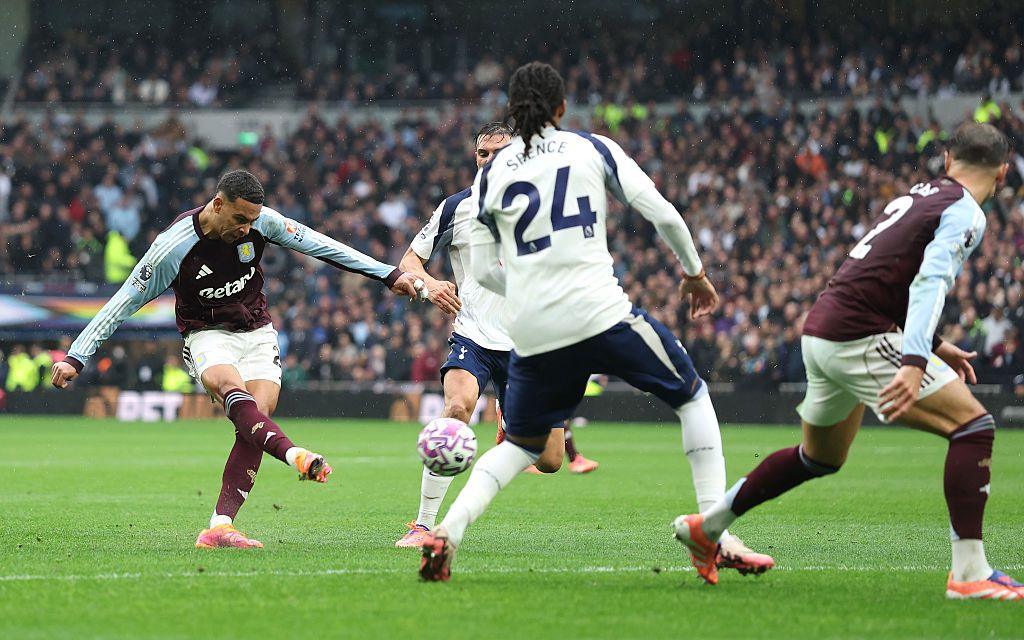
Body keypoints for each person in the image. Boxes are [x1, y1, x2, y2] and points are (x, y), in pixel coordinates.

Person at [418, 62, 772, 581]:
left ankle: (447, 532)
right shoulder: (592, 148)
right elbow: (663, 213)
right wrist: (694, 273)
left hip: (536, 329)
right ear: (562, 108)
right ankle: (711, 530)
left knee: (524, 446)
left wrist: (533, 294)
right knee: (693, 395)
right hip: (599, 312)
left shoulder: (491, 178)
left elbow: (488, 272)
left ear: (513, 113)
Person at [674, 122, 1024, 600]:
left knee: (818, 457)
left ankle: (707, 528)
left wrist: (935, 344)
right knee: (973, 427)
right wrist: (914, 359)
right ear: (1002, 173)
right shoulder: (965, 211)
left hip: (822, 330)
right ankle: (969, 574)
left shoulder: (920, 196)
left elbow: (886, 276)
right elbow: (929, 282)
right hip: (859, 336)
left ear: (947, 160)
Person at [51, 170, 430, 549]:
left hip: (257, 330)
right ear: (218, 204)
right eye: (239, 219)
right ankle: (294, 455)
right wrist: (76, 355)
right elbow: (123, 301)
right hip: (206, 333)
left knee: (257, 418)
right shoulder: (173, 248)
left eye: (252, 220)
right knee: (231, 388)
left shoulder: (263, 222)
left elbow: (321, 245)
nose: (247, 228)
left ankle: (220, 526)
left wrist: (388, 274)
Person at [395, 122, 601, 549]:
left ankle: (511, 421)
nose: (489, 160)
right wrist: (429, 284)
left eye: (499, 153)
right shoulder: (456, 208)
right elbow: (410, 261)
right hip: (473, 335)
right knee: (457, 407)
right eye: (482, 153)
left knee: (551, 460)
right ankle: (423, 525)